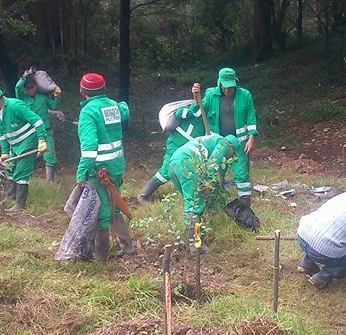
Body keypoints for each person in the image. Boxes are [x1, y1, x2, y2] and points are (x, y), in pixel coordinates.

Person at [76, 73, 134, 260]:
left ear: (82, 91)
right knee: (114, 205)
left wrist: (81, 171)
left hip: (101, 171)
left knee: (102, 211)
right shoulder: (113, 106)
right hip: (116, 166)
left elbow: (90, 147)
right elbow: (125, 110)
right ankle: (127, 247)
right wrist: (122, 105)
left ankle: (100, 257)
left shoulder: (88, 112)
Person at [166, 133, 242, 251]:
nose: (230, 158)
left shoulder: (212, 140)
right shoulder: (225, 144)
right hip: (186, 163)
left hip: (173, 163)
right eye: (232, 155)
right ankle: (195, 244)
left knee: (191, 203)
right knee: (194, 205)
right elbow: (212, 166)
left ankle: (192, 238)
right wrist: (208, 186)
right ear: (232, 147)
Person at [0, 85, 47, 212]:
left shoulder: (15, 106)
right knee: (10, 169)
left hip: (28, 143)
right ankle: (10, 198)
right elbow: (2, 135)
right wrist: (5, 152)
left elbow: (37, 121)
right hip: (15, 146)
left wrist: (41, 139)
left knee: (21, 172)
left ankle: (19, 204)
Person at [194, 67, 258, 203]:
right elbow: (199, 111)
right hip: (219, 144)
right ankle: (215, 201)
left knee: (241, 173)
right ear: (219, 84)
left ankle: (245, 203)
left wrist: (251, 138)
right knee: (216, 173)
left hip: (239, 143)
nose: (228, 90)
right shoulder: (211, 96)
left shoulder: (245, 95)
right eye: (225, 87)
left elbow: (251, 117)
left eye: (231, 87)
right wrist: (195, 96)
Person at [137, 98, 206, 203]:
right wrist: (193, 110)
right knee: (166, 171)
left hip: (192, 147)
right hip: (176, 144)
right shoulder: (193, 108)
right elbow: (178, 113)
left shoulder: (211, 114)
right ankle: (143, 196)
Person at [15, 70, 62, 181]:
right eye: (27, 88)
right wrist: (23, 78)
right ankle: (26, 179)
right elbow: (17, 88)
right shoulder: (22, 98)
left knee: (49, 155)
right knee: (26, 156)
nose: (30, 90)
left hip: (46, 130)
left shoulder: (42, 97)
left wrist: (57, 96)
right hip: (29, 132)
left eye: (32, 87)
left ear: (36, 86)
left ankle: (49, 181)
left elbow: (54, 106)